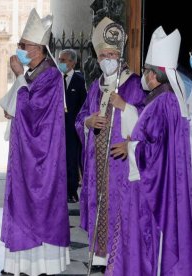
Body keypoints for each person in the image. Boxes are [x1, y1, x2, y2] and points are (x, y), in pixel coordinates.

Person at [105, 27, 192, 276]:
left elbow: (156, 151)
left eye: (146, 71)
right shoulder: (162, 97)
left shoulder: (163, 102)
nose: (143, 75)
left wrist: (131, 147)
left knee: (144, 234)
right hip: (153, 180)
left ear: (154, 75)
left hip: (149, 186)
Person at [0, 8, 70, 276]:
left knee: (37, 206)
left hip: (41, 158)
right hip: (26, 156)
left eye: (24, 45)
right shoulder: (34, 74)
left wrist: (18, 75)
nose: (20, 49)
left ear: (39, 49)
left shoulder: (50, 75)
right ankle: (19, 263)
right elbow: (20, 105)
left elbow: (32, 110)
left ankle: (40, 264)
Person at [75, 17, 145, 269]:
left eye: (112, 53)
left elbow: (146, 122)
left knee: (118, 207)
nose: (107, 59)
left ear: (120, 55)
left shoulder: (135, 84)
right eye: (103, 54)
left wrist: (125, 107)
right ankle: (98, 256)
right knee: (99, 204)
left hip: (120, 162)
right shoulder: (95, 86)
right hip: (97, 162)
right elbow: (80, 116)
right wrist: (88, 122)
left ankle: (117, 258)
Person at [58, 48, 87, 203]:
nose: (60, 63)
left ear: (72, 62)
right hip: (56, 128)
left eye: (63, 60)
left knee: (71, 160)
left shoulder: (80, 80)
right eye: (59, 60)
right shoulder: (55, 78)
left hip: (72, 129)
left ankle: (71, 191)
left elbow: (84, 105)